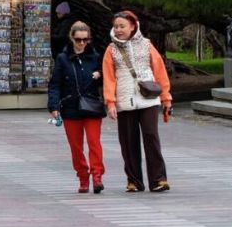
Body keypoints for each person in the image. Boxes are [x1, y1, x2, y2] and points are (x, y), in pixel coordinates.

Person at [102, 10, 172, 193]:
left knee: (151, 136)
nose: (118, 30)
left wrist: (166, 97)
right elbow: (109, 78)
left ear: (133, 26)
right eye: (116, 26)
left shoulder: (147, 45)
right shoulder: (111, 50)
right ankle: (134, 180)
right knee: (128, 141)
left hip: (148, 98)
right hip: (125, 100)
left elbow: (160, 71)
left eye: (122, 26)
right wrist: (110, 102)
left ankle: (158, 179)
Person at [49, 21, 106, 194]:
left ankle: (97, 176)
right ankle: (83, 176)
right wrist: (54, 105)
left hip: (91, 105)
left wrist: (100, 75)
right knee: (76, 146)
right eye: (78, 39)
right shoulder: (62, 58)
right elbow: (55, 84)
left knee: (94, 142)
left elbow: (109, 79)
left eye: (85, 39)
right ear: (71, 38)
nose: (82, 43)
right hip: (71, 106)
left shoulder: (96, 57)